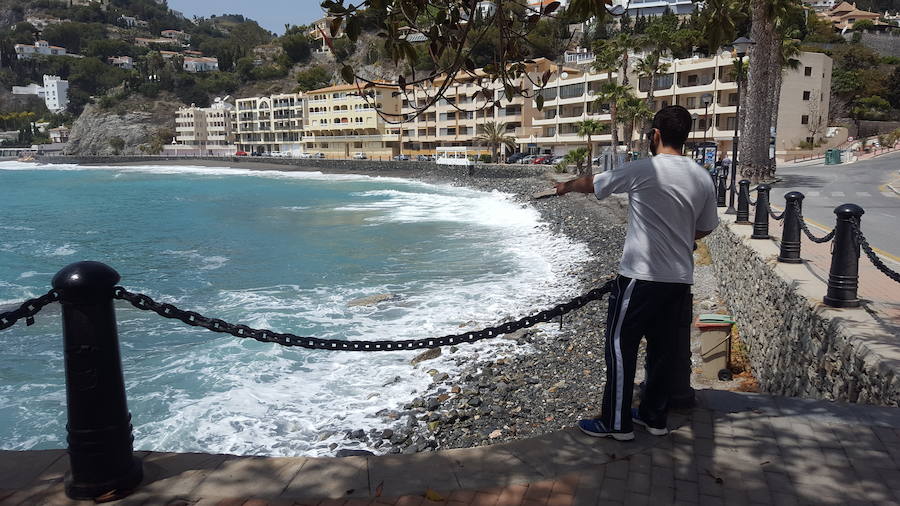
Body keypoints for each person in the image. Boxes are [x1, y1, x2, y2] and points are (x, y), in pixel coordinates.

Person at [554, 105, 719, 441]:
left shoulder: (645, 169)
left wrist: (567, 185)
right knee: (662, 351)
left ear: (655, 135)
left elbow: (595, 183)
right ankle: (654, 417)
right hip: (679, 281)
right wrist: (677, 238)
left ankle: (616, 423)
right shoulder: (702, 176)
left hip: (640, 279)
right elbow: (705, 227)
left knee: (619, 346)